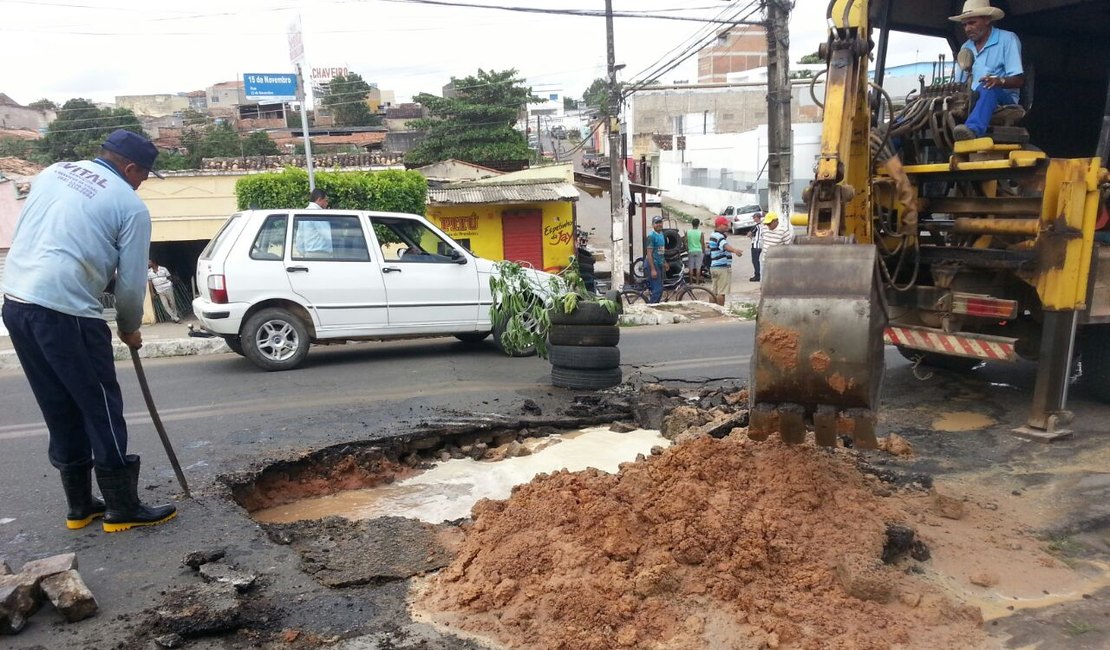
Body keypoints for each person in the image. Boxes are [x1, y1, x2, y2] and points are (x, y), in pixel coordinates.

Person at [0, 129, 177, 533]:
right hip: (67, 313)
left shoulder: (53, 172)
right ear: (129, 167)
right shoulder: (129, 206)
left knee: (58, 405)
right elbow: (132, 281)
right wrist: (129, 328)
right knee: (100, 407)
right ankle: (122, 507)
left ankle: (79, 507)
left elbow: (46, 235)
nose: (144, 181)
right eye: (145, 174)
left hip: (17, 303)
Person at [949, 0, 1024, 141]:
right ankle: (896, 138)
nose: (967, 29)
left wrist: (998, 81)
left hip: (1002, 100)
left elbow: (1019, 80)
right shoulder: (966, 47)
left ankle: (971, 130)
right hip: (972, 99)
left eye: (972, 23)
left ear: (987, 20)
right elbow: (959, 84)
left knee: (987, 87)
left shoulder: (1008, 39)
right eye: (964, 25)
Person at [708, 216, 743, 306]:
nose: (727, 226)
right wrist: (735, 250)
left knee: (714, 291)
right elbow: (725, 246)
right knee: (721, 292)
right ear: (719, 225)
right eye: (725, 225)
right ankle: (720, 310)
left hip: (715, 266)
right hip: (721, 267)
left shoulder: (713, 235)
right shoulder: (719, 236)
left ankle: (713, 309)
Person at [759, 212, 794, 284]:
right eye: (767, 224)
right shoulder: (764, 228)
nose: (768, 226)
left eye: (769, 224)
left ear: (776, 221)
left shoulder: (783, 231)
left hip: (777, 262)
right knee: (764, 283)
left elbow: (789, 247)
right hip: (765, 261)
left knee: (776, 283)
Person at [645, 215, 667, 303]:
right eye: (656, 223)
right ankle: (649, 308)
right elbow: (649, 253)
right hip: (652, 264)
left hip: (659, 264)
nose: (659, 225)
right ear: (653, 224)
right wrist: (653, 269)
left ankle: (655, 307)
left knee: (660, 290)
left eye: (660, 222)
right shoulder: (651, 236)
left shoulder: (661, 234)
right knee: (657, 290)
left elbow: (661, 250)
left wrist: (665, 262)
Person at [684, 218, 705, 284]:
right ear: (698, 224)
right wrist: (703, 251)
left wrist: (687, 249)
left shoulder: (688, 232)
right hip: (699, 251)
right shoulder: (700, 233)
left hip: (691, 251)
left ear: (692, 224)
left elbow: (685, 242)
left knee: (691, 267)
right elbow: (702, 243)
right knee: (698, 268)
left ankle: (690, 282)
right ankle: (697, 282)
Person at [749, 212, 764, 282]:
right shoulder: (763, 225)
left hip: (755, 245)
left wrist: (752, 237)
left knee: (755, 261)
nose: (753, 219)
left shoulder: (756, 226)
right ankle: (757, 275)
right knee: (757, 261)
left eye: (754, 217)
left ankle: (757, 276)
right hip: (760, 245)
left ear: (757, 218)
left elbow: (749, 234)